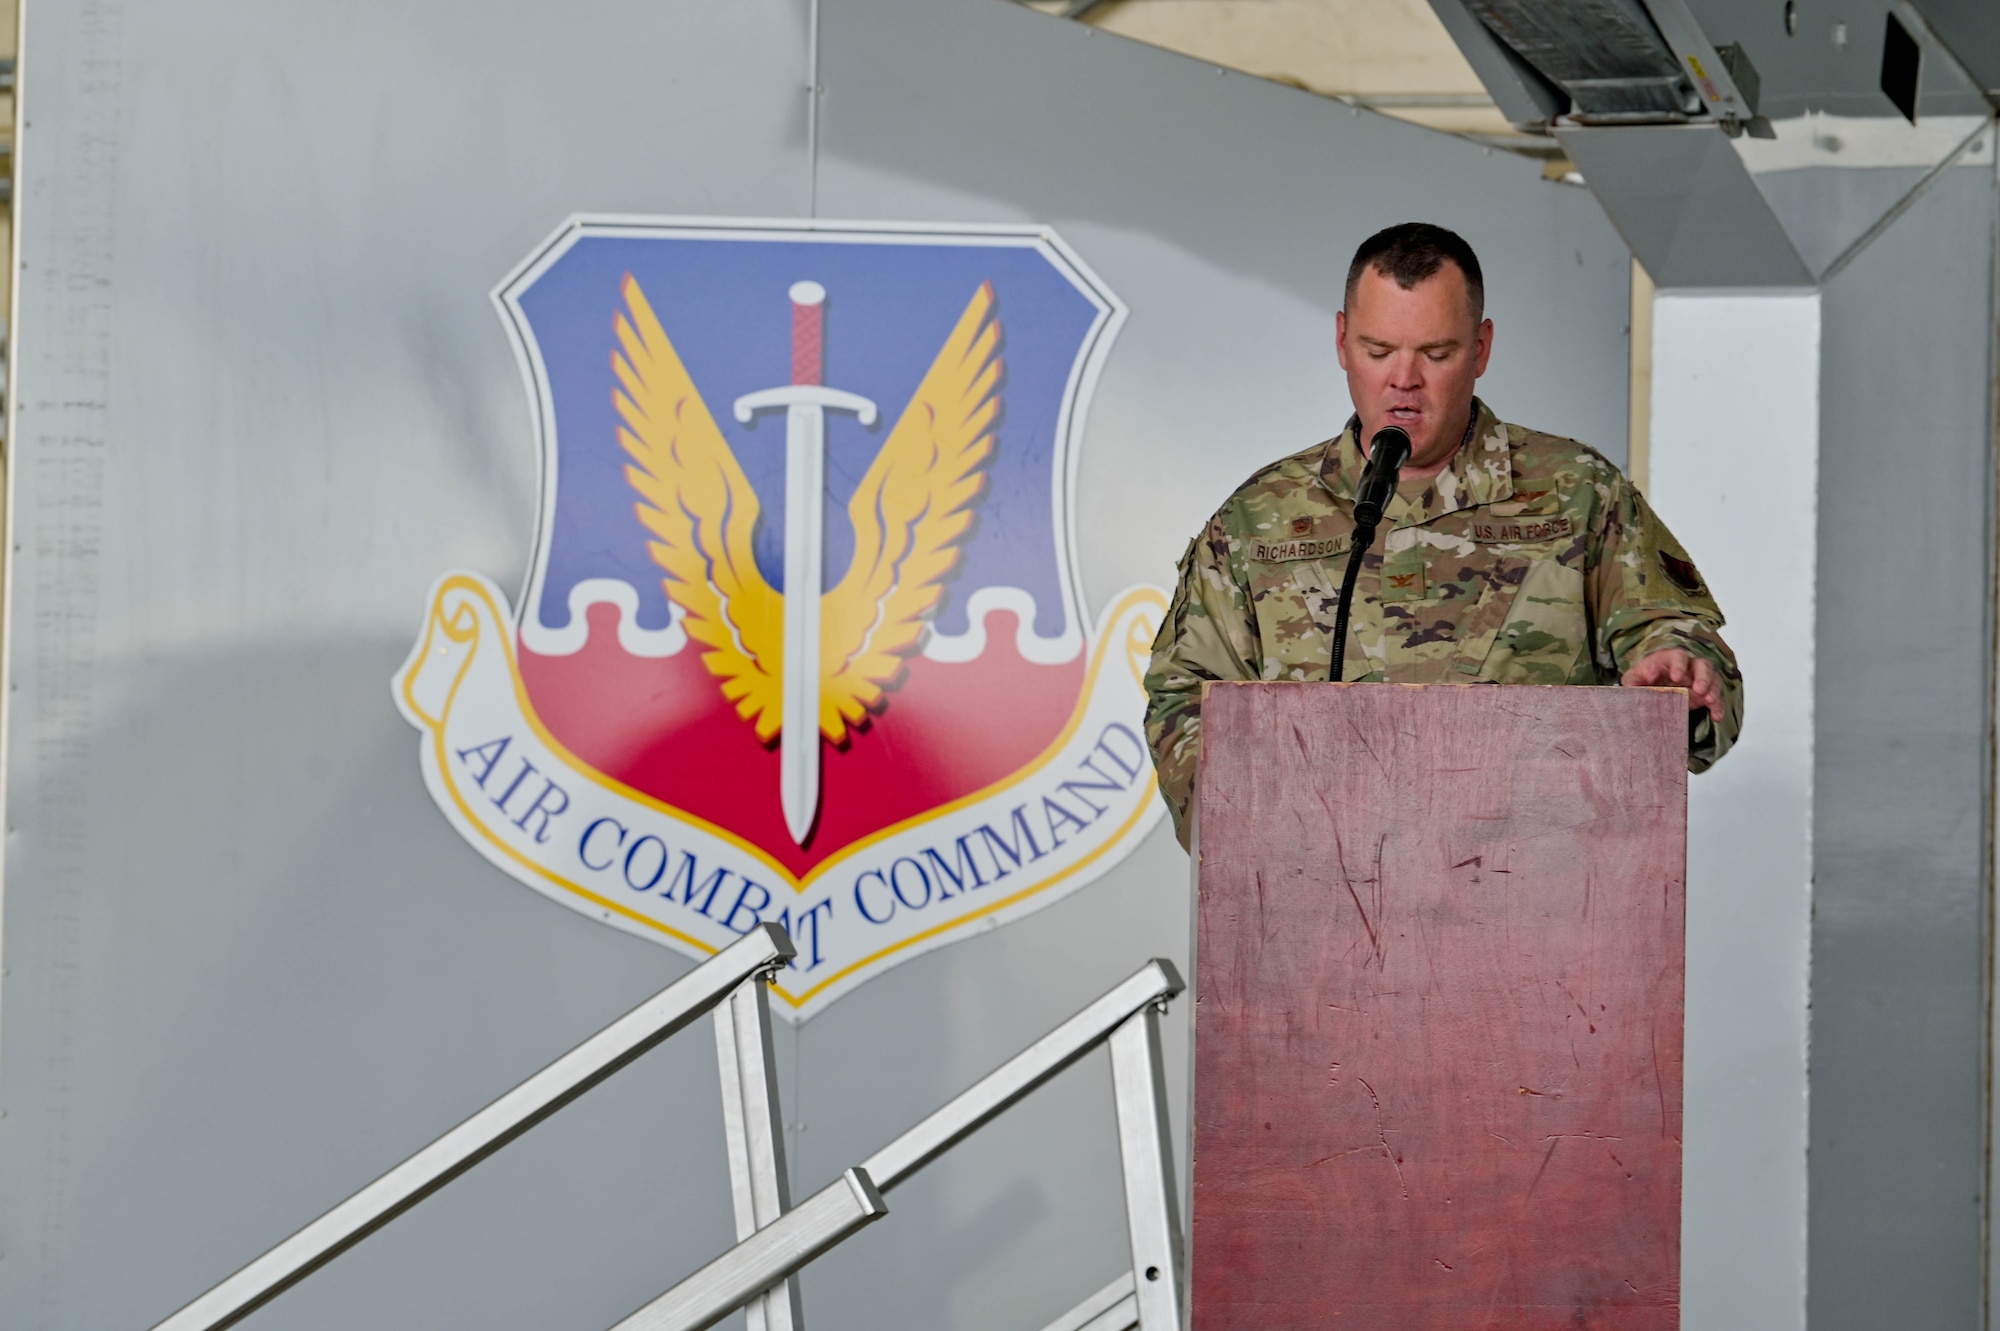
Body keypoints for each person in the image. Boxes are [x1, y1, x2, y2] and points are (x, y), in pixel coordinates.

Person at [1143, 222, 1743, 848]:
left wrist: (1681, 676)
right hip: (1316, 899)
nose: (1404, 379)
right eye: (1379, 351)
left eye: (1435, 354)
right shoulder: (1256, 518)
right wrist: (1246, 832)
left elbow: (1675, 642)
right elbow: (1183, 693)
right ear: (1343, 341)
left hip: (1542, 892)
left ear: (1481, 349)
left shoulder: (1579, 494)